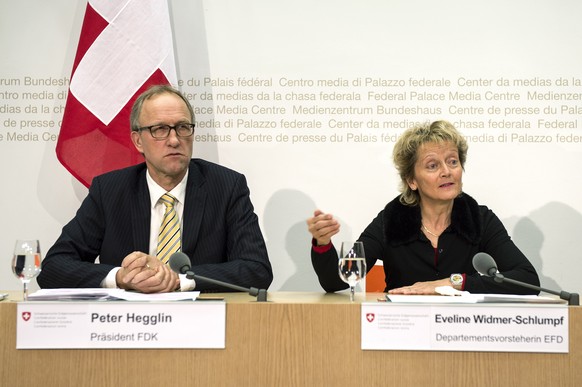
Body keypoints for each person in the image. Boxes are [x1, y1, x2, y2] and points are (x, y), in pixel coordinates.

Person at [38, 84, 273, 293]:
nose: (174, 140)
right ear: (138, 140)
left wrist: (178, 280)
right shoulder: (109, 191)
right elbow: (53, 267)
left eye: (183, 127)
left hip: (202, 325)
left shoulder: (226, 186)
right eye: (160, 129)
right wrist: (121, 277)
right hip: (124, 326)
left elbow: (257, 269)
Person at [307, 120, 539, 295]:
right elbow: (336, 282)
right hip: (400, 331)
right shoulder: (392, 219)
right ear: (412, 180)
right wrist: (322, 244)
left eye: (452, 161)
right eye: (432, 165)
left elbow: (527, 280)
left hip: (464, 331)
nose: (446, 171)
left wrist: (453, 283)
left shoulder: (479, 218)